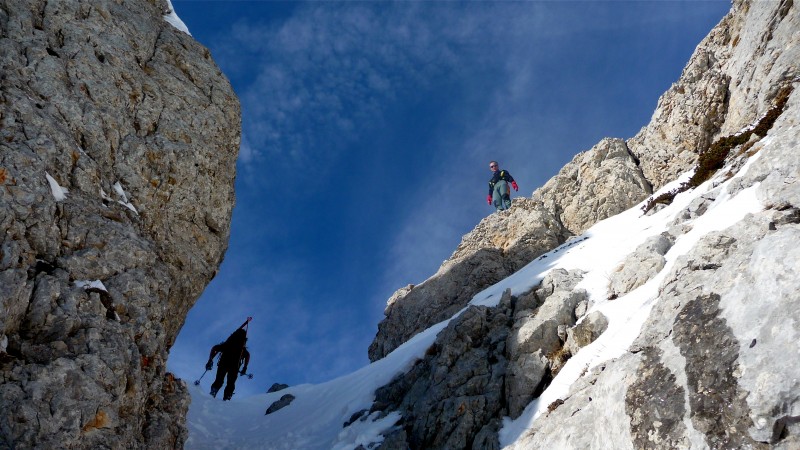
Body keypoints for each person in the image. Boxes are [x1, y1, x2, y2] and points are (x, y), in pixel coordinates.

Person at [206, 328, 250, 401]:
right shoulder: (242, 349)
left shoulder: (228, 344)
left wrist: (210, 359)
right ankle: (227, 397)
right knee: (230, 383)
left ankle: (213, 392)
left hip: (223, 364)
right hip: (234, 367)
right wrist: (245, 367)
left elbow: (215, 348)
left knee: (219, 380)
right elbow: (247, 355)